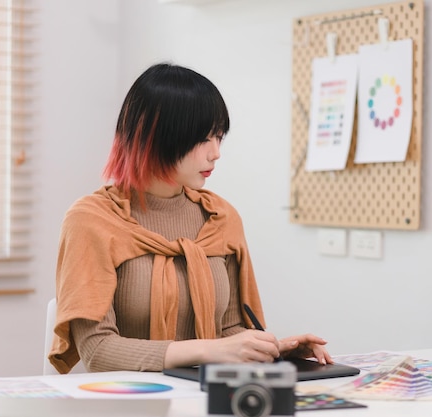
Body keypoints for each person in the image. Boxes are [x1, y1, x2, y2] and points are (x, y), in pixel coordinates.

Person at [48, 62, 332, 374]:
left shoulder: (221, 218)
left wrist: (273, 348)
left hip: (206, 398)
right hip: (128, 402)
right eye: (203, 138)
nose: (216, 152)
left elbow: (231, 330)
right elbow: (98, 351)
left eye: (219, 137)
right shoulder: (92, 220)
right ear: (157, 135)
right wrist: (213, 349)